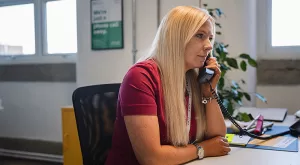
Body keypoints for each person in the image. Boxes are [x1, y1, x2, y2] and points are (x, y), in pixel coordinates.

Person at [105, 5, 230, 165]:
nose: (209, 46)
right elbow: (152, 159)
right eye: (200, 35)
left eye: (210, 38)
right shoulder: (141, 77)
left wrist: (208, 92)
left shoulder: (191, 77)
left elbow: (218, 139)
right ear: (176, 38)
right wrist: (203, 149)